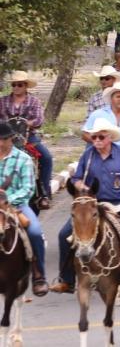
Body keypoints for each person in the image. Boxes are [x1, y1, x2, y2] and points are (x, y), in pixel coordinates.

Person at [50, 118, 120, 296]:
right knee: (64, 235)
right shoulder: (88, 155)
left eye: (101, 137)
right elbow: (75, 178)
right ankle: (66, 280)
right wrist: (81, 187)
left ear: (110, 138)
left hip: (119, 205)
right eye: (94, 137)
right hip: (93, 205)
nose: (97, 140)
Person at [0, 121, 49, 296]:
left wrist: (6, 201)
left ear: (10, 139)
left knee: (34, 232)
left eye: (2, 139)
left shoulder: (23, 159)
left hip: (17, 206)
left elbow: (27, 189)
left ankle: (38, 274)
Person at [0, 71, 53, 209]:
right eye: (14, 84)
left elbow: (39, 119)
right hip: (6, 137)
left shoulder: (34, 101)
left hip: (28, 137)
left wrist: (28, 123)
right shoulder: (3, 101)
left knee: (46, 158)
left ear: (25, 86)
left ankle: (44, 194)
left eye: (20, 85)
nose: (16, 87)